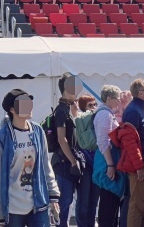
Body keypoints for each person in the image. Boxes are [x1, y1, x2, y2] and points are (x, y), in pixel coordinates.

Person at [0, 88, 60, 226]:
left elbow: (45, 164)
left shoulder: (38, 131)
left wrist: (53, 194)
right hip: (13, 207)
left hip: (38, 203)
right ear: (12, 109)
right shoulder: (3, 136)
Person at [50, 73, 81, 227]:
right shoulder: (62, 110)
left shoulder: (67, 109)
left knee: (67, 202)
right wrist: (73, 161)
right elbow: (62, 139)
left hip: (65, 161)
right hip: (63, 163)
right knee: (64, 201)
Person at [122, 79, 144, 227]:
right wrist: (139, 167)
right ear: (141, 93)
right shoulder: (133, 111)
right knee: (137, 204)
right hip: (140, 164)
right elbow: (129, 142)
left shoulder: (138, 109)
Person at [93, 85, 126, 227]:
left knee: (111, 202)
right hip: (106, 161)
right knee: (108, 202)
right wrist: (110, 165)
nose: (119, 102)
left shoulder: (107, 114)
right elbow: (103, 141)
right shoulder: (104, 115)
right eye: (116, 99)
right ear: (108, 99)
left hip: (108, 160)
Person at [75, 95, 99, 227]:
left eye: (94, 104)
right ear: (83, 107)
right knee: (83, 200)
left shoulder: (97, 121)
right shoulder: (79, 121)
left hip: (97, 165)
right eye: (90, 105)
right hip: (85, 166)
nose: (93, 108)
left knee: (94, 200)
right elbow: (79, 146)